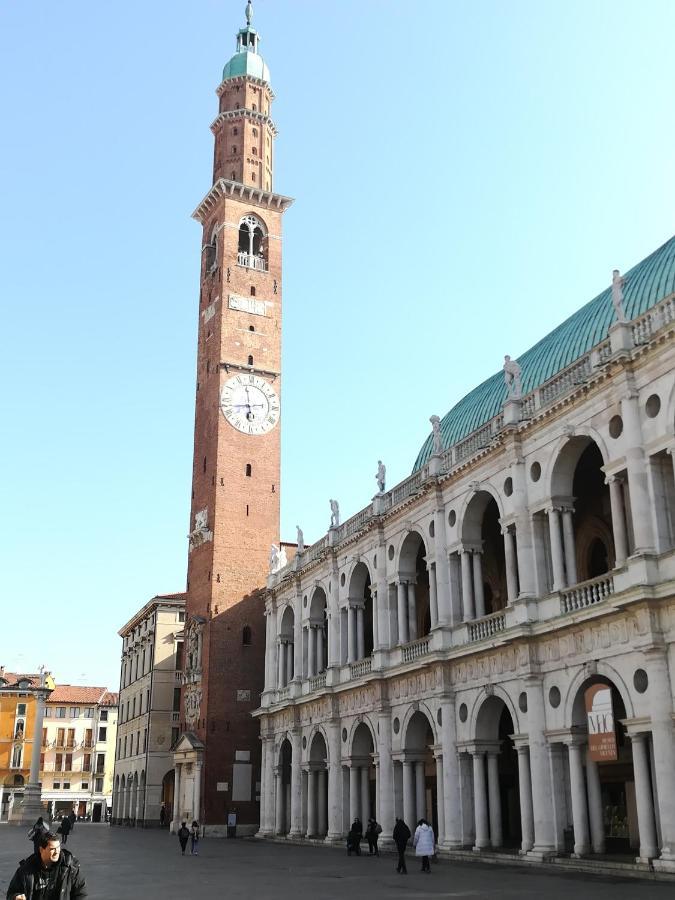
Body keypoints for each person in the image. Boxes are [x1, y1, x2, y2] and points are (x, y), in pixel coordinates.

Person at [6, 830, 87, 899]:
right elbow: (12, 892)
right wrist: (16, 897)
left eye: (58, 847)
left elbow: (81, 893)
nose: (57, 852)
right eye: (52, 849)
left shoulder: (71, 868)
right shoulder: (26, 869)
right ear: (41, 849)